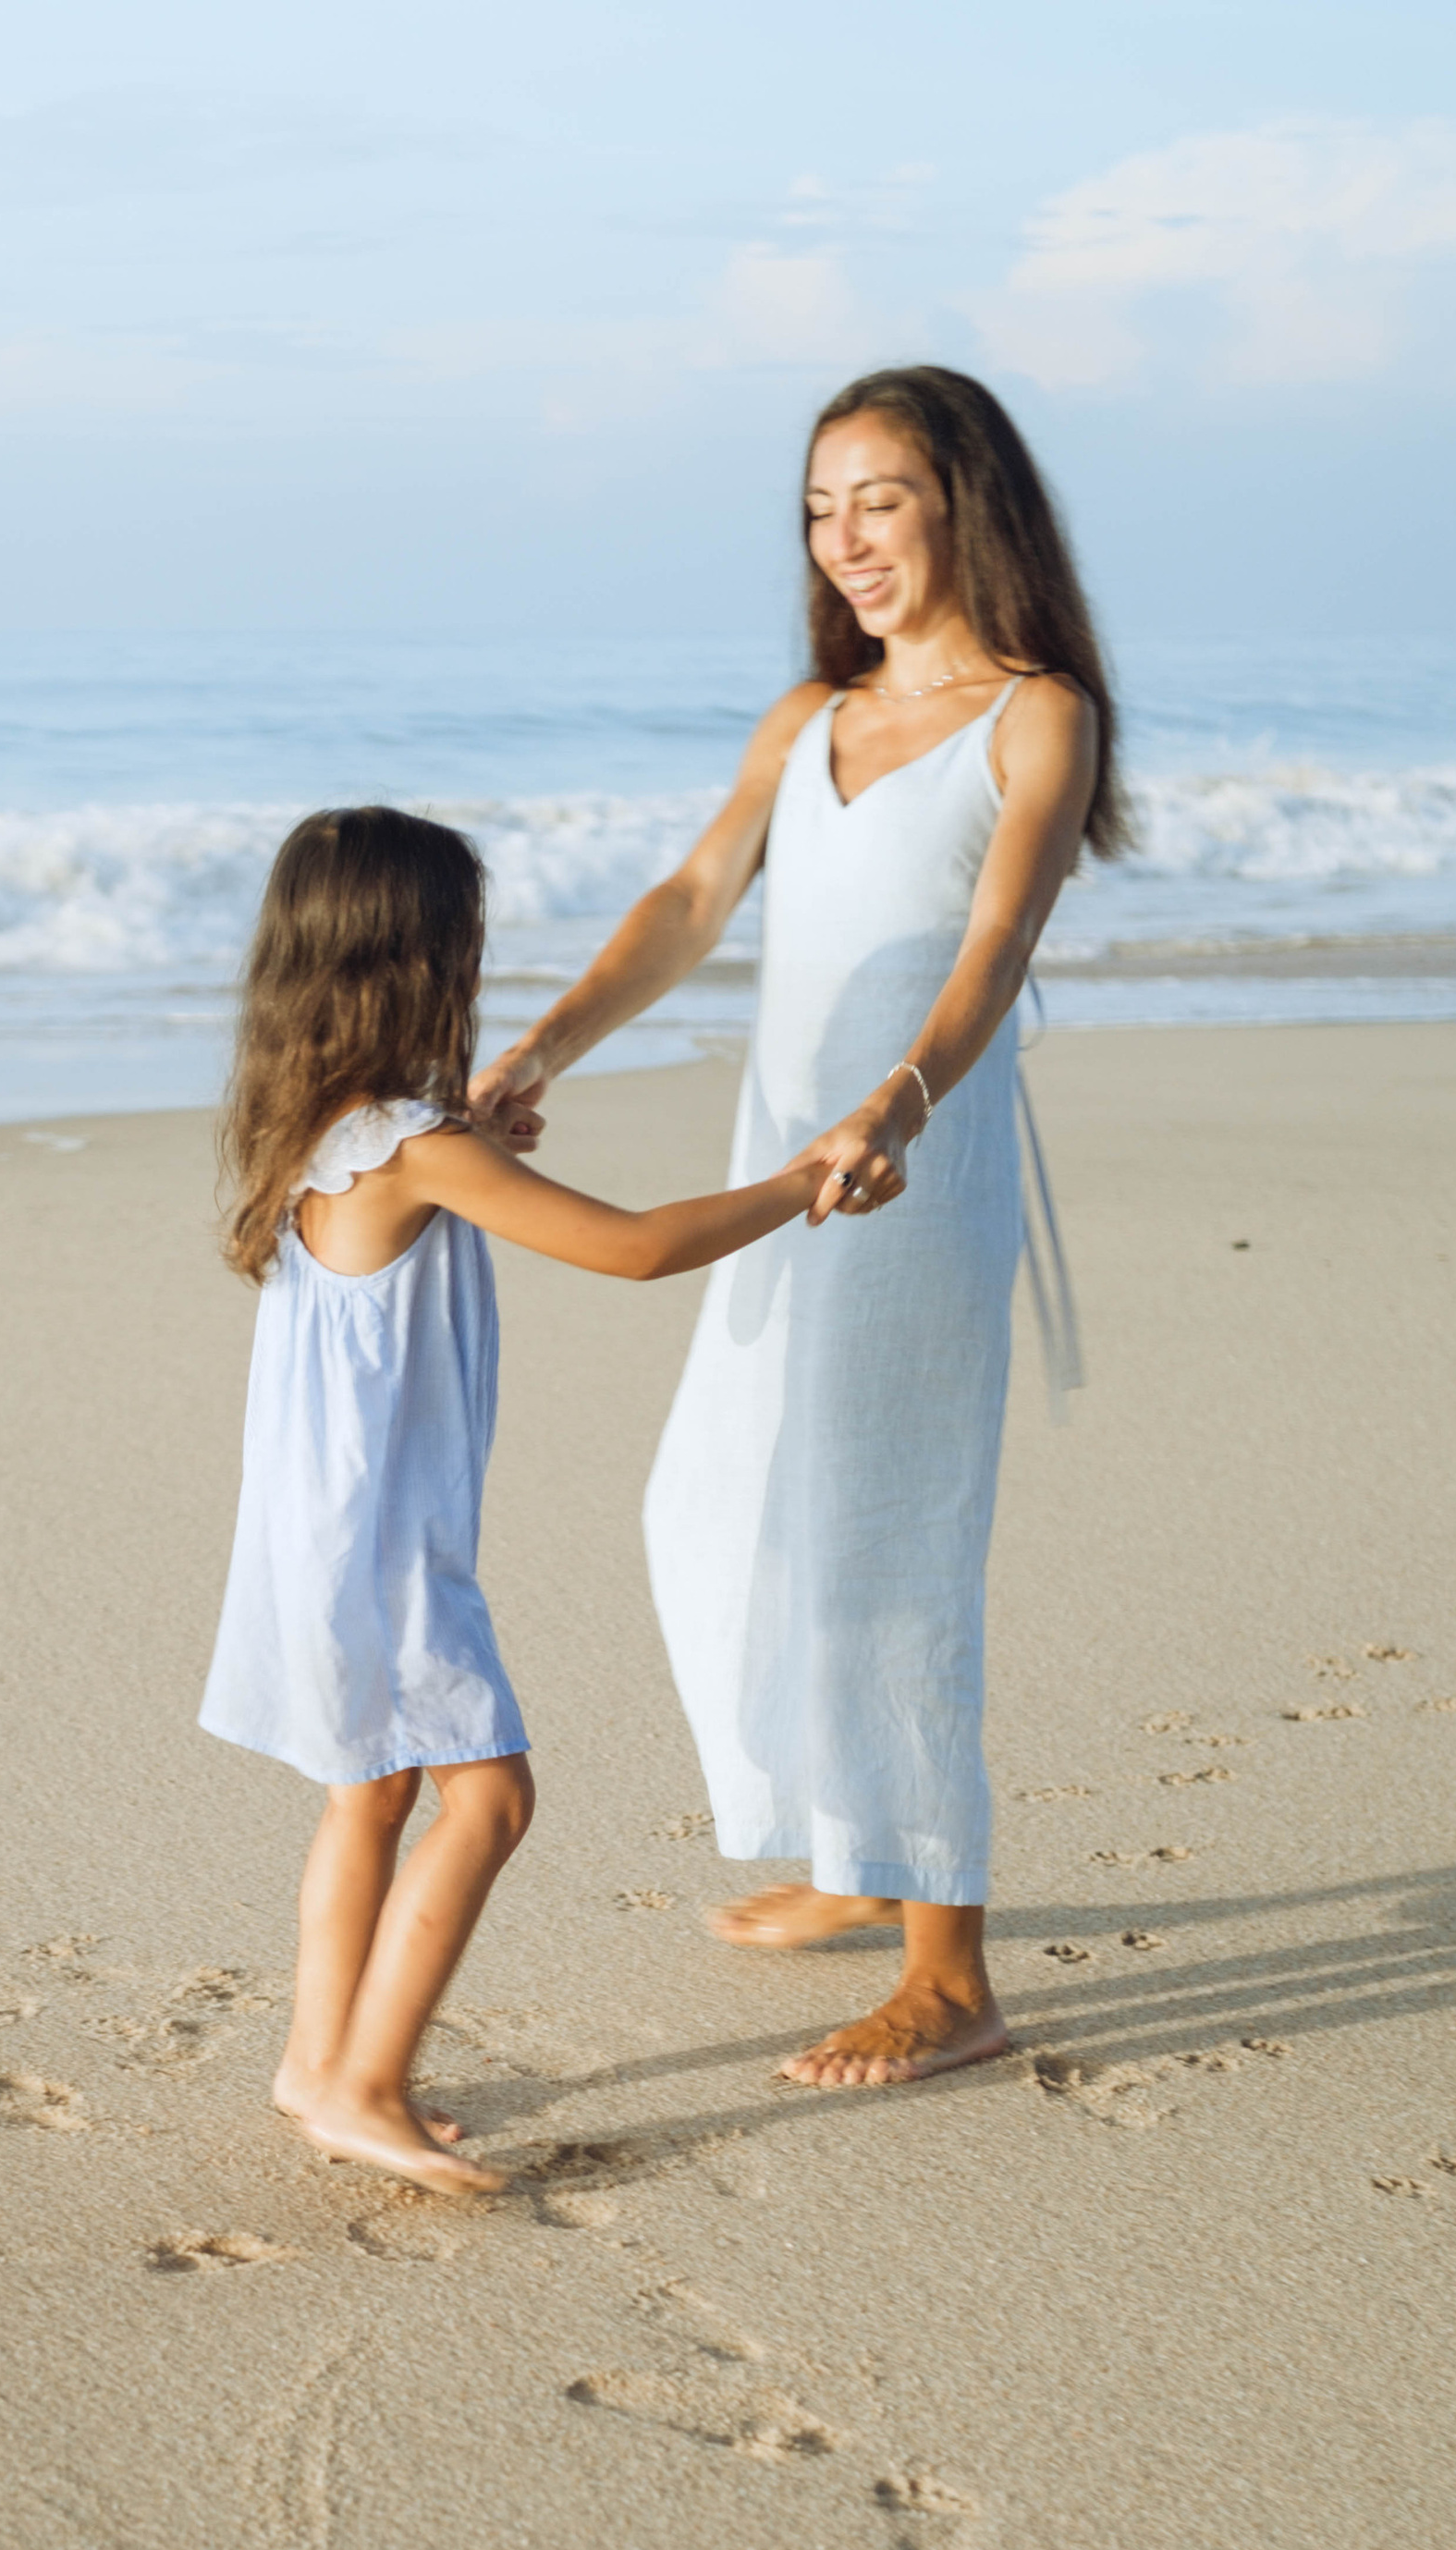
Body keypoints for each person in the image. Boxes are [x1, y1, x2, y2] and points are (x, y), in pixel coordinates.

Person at [474, 367, 1128, 2088]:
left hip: (911, 1172)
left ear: (964, 502)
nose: (845, 539)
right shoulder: (805, 717)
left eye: (882, 499)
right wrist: (541, 1046)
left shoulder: (1034, 715)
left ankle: (951, 1973)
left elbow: (991, 951)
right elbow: (692, 902)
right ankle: (862, 1850)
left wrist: (898, 1106)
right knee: (722, 1502)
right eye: (822, 507)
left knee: (889, 1540)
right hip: (787, 1167)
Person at [201, 804, 826, 2198]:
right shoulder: (418, 1151)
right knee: (488, 1798)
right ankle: (364, 2083)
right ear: (417, 965)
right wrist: (802, 1179)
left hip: (320, 1537)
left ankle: (317, 2064)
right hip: (389, 1549)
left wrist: (482, 1129)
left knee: (370, 1788)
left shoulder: (325, 1134)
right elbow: (639, 1249)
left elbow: (452, 1182)